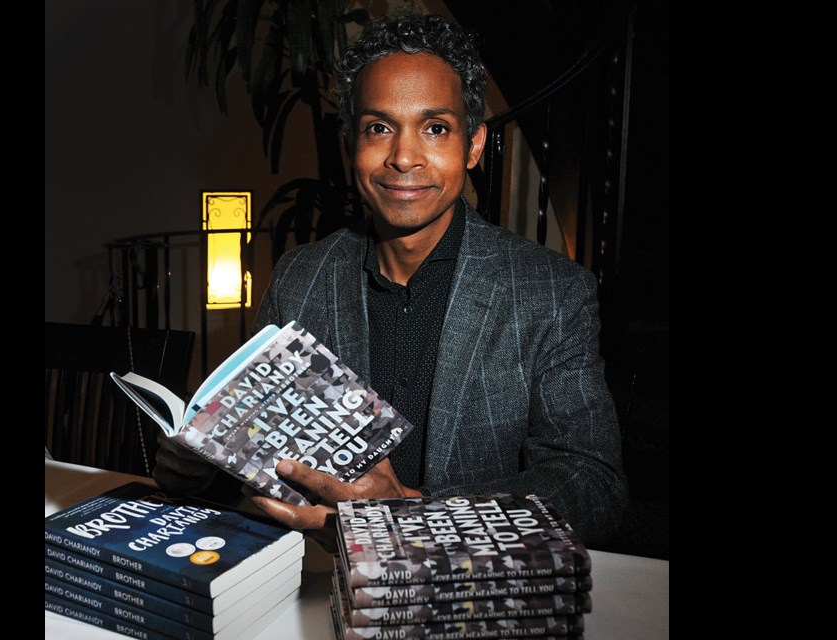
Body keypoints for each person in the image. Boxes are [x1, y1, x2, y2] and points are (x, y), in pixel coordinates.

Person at [155, 10, 627, 547]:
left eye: (435, 128)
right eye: (379, 127)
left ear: (473, 145)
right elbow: (260, 459)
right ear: (351, 144)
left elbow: (593, 486)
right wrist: (200, 462)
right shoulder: (300, 277)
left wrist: (411, 512)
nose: (403, 157)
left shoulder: (549, 291)